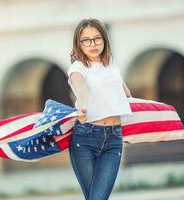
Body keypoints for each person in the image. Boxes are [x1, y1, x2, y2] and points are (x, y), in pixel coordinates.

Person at [67, 18, 133, 200]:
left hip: (113, 139)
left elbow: (126, 93)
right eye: (86, 40)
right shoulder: (77, 67)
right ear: (79, 44)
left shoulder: (111, 63)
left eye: (97, 39)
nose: (93, 44)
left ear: (105, 39)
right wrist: (83, 105)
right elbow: (80, 88)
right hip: (85, 138)